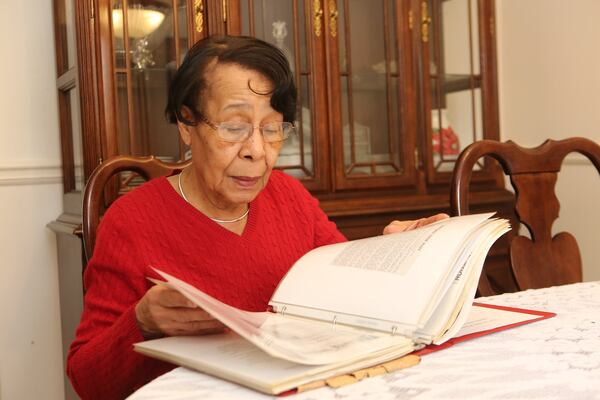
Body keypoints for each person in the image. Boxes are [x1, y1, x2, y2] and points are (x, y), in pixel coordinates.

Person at [66, 35, 447, 399]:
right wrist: (142, 322)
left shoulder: (288, 195)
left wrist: (395, 251)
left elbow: (344, 292)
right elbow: (88, 381)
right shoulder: (133, 221)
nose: (257, 151)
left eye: (272, 129)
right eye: (234, 128)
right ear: (187, 125)